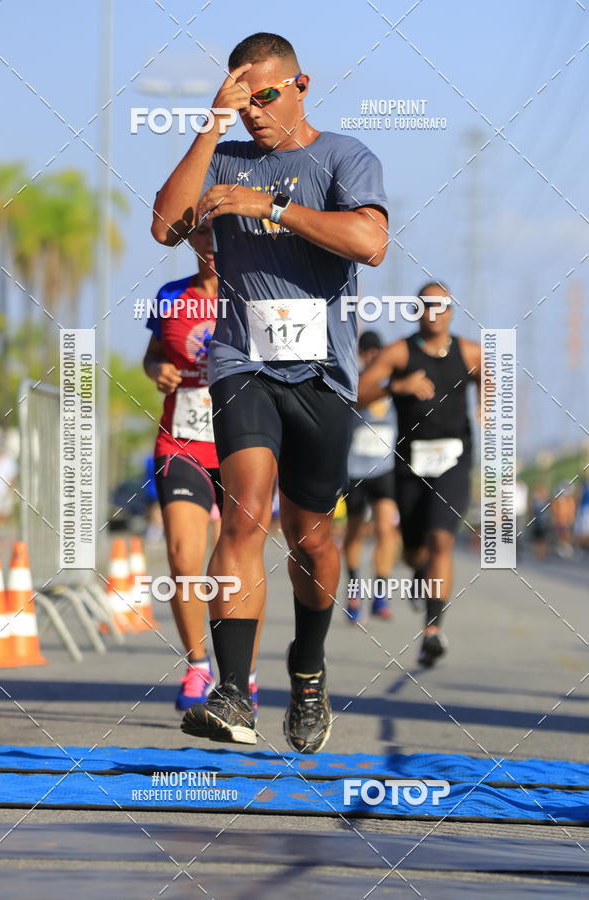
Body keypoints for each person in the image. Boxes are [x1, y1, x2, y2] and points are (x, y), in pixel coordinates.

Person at [152, 32, 388, 752]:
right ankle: (232, 694)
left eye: (264, 96)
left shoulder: (346, 156)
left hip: (321, 372)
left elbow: (370, 242)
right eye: (239, 97)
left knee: (311, 537)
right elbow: (165, 225)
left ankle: (308, 671)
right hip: (241, 362)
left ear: (300, 85)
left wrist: (273, 206)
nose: (253, 110)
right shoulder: (221, 155)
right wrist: (209, 126)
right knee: (245, 512)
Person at [143, 220, 258, 713]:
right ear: (191, 240)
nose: (211, 241)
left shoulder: (252, 292)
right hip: (182, 441)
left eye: (220, 231)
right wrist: (157, 370)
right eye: (203, 233)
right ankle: (197, 666)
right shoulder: (170, 295)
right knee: (184, 558)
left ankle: (242, 674)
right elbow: (152, 355)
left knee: (236, 563)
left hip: (244, 444)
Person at [358, 283, 480, 667]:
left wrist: (489, 408)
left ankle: (432, 630)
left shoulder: (470, 352)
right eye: (426, 305)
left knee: (441, 538)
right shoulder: (399, 352)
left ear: (452, 310)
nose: (434, 311)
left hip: (454, 460)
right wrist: (397, 386)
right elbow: (357, 392)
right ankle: (420, 572)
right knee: (413, 550)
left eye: (441, 305)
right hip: (410, 463)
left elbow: (493, 382)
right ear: (416, 310)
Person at [344, 331, 399, 623]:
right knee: (354, 530)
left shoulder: (394, 384)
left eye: (377, 353)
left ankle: (380, 592)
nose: (372, 358)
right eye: (367, 353)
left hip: (384, 469)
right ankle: (354, 590)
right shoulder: (353, 383)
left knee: (385, 529)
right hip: (354, 470)